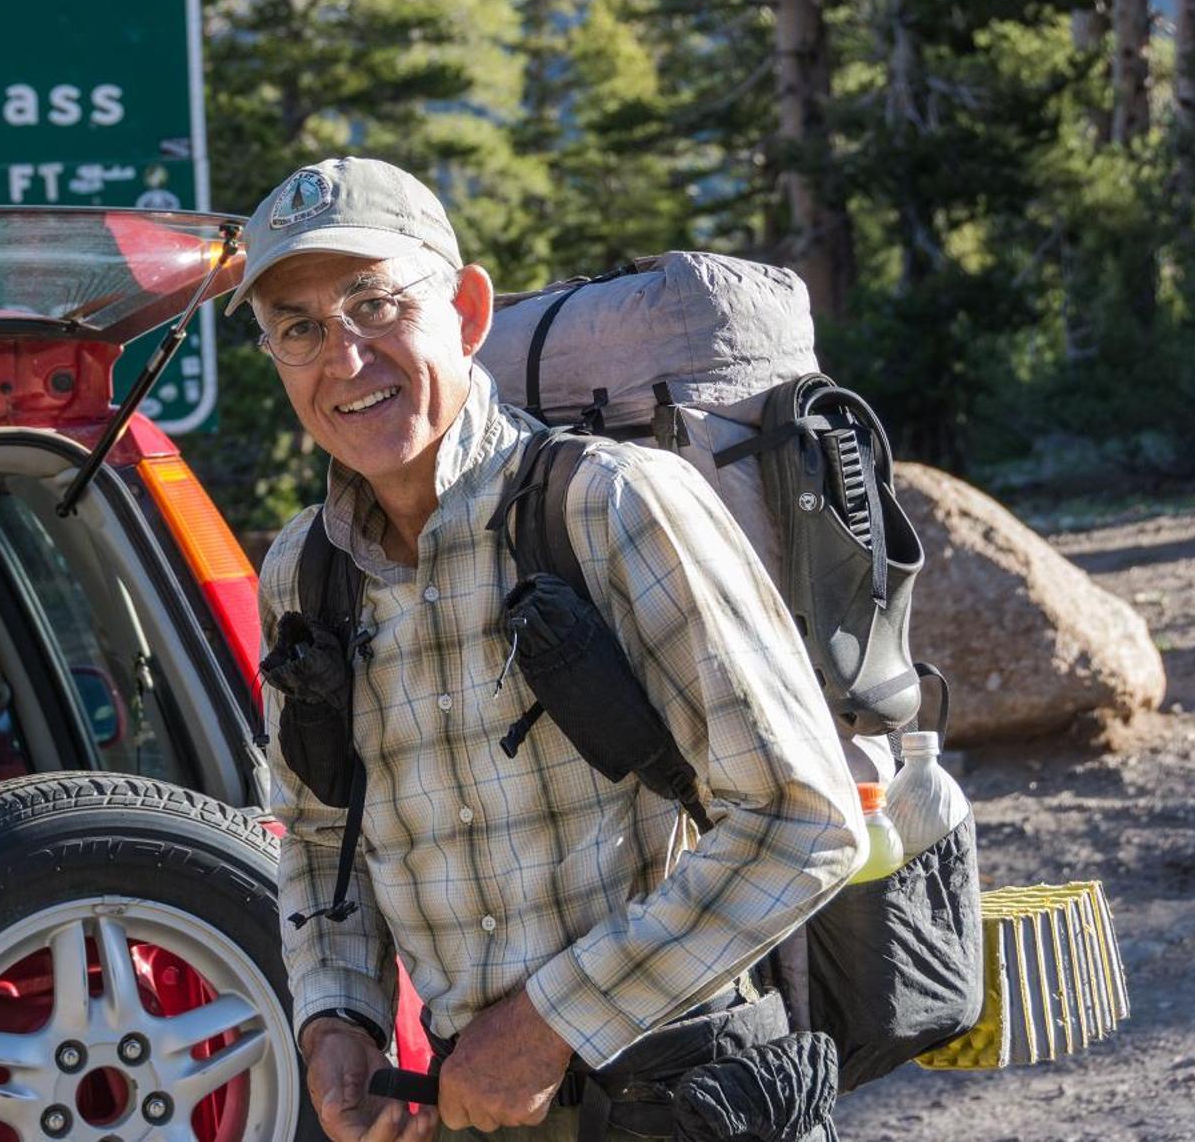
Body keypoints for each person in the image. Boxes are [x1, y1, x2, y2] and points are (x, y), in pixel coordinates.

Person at [237, 156, 863, 1142]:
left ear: (468, 310)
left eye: (374, 303)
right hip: (478, 1111)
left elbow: (804, 820)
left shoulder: (612, 505)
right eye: (299, 327)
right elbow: (321, 834)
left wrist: (544, 1026)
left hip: (685, 1098)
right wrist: (338, 1015)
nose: (343, 360)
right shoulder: (303, 573)